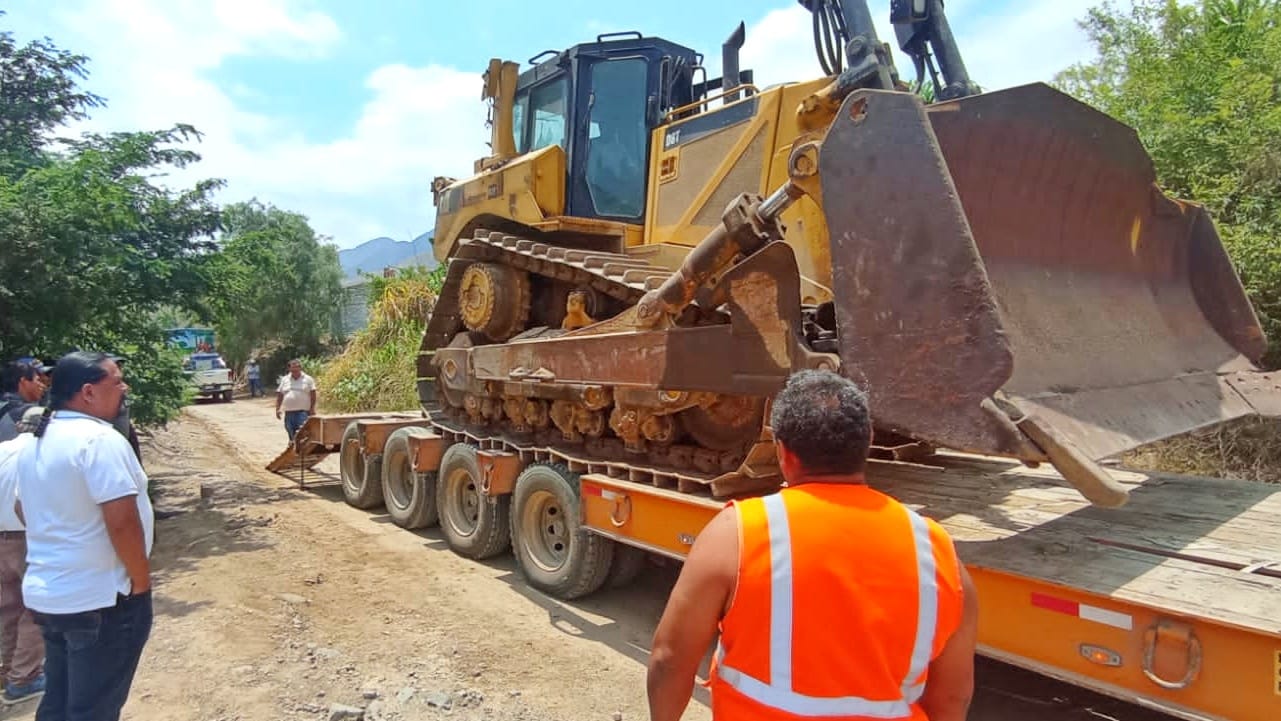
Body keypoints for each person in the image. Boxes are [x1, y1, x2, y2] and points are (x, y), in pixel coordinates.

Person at [647, 369, 978, 721]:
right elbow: (952, 697)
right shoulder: (935, 549)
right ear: (866, 442)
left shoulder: (739, 533)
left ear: (782, 453)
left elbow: (671, 658)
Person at [14, 352, 154, 721]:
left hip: (51, 596)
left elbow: (20, 509)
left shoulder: (35, 442)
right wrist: (140, 582)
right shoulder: (98, 441)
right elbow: (122, 521)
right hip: (100, 601)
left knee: (59, 703)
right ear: (88, 392)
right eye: (117, 381)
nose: (124, 389)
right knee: (93, 710)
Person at [0, 407, 46, 703]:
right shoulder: (39, 453)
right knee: (36, 608)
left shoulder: (2, 449)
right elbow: (24, 502)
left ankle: (7, 670)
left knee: (7, 608)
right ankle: (24, 678)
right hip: (26, 537)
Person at [0, 360, 48, 442]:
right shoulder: (27, 411)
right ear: (24, 382)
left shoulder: (4, 404)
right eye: (38, 380)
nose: (42, 385)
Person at [275, 359, 317, 441]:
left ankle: (301, 452)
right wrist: (278, 409)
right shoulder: (285, 379)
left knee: (302, 434)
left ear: (300, 368)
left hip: (303, 413)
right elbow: (280, 395)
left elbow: (313, 394)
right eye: (293, 368)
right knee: (291, 433)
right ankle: (293, 450)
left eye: (297, 367)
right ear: (289, 369)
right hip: (289, 413)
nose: (295, 370)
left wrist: (312, 408)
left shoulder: (308, 379)